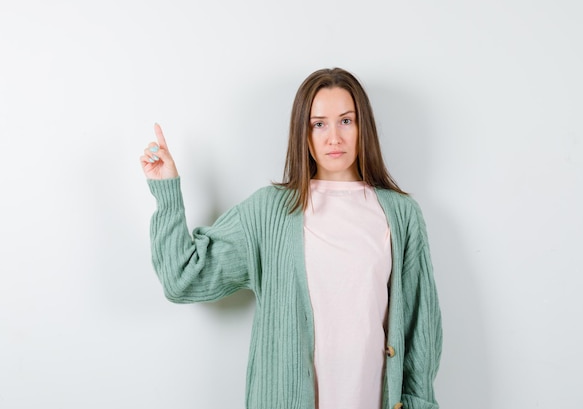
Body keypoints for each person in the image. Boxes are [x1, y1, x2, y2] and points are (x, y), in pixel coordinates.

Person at [140, 68, 442, 409]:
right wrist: (167, 191)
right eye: (319, 124)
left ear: (363, 127)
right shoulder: (269, 212)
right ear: (303, 132)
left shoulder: (401, 214)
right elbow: (182, 278)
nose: (334, 138)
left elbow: (420, 326)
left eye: (346, 121)